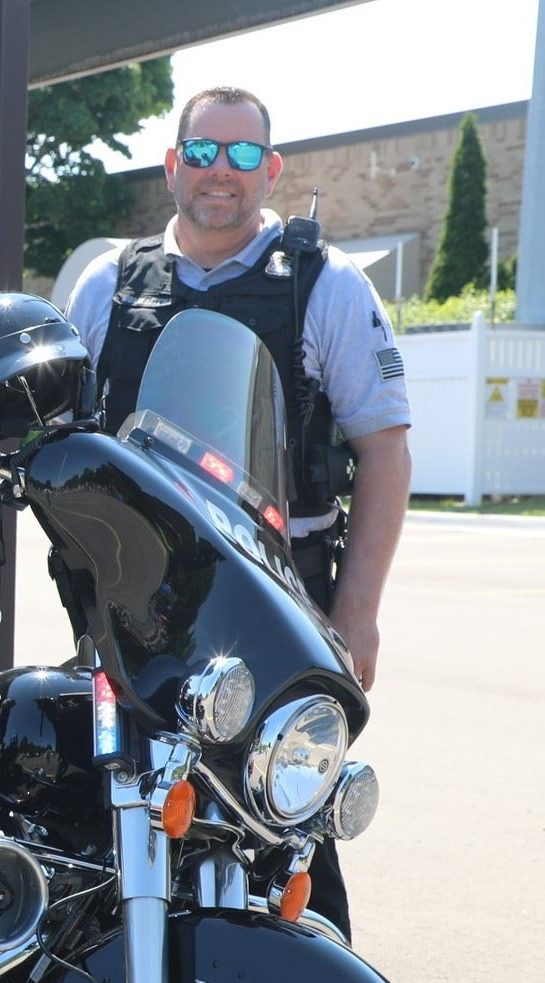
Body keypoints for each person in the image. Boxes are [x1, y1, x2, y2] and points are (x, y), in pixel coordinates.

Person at [66, 86, 412, 940]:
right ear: (174, 163)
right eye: (207, 152)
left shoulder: (324, 285)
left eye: (246, 154)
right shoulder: (108, 284)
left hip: (280, 591)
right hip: (134, 593)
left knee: (286, 817)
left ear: (273, 168)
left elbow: (385, 451)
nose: (224, 171)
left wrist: (356, 615)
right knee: (120, 807)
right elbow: (63, 436)